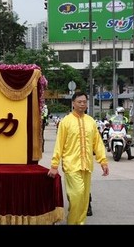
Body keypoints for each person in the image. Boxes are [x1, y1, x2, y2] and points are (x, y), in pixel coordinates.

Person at [47, 92, 109, 225]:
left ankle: (79, 222)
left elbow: (97, 143)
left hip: (86, 165)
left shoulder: (91, 121)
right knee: (77, 195)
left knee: (84, 199)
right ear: (73, 103)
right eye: (79, 102)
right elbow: (59, 144)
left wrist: (103, 161)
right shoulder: (66, 122)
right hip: (71, 165)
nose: (82, 104)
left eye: (84, 102)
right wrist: (54, 165)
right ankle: (72, 222)